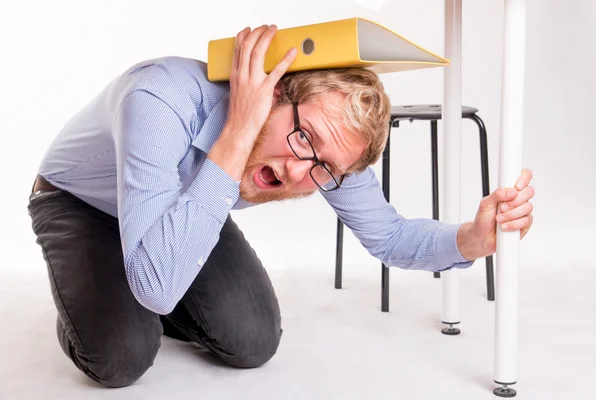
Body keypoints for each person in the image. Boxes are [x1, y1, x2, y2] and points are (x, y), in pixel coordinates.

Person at [27, 24, 535, 388]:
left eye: (322, 167)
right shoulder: (161, 95)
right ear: (272, 94)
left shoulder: (326, 155)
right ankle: (96, 303)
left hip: (185, 204)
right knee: (120, 356)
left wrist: (472, 238)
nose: (297, 170)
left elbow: (392, 236)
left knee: (252, 342)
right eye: (302, 136)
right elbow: (159, 291)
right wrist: (239, 129)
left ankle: (149, 263)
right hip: (80, 203)